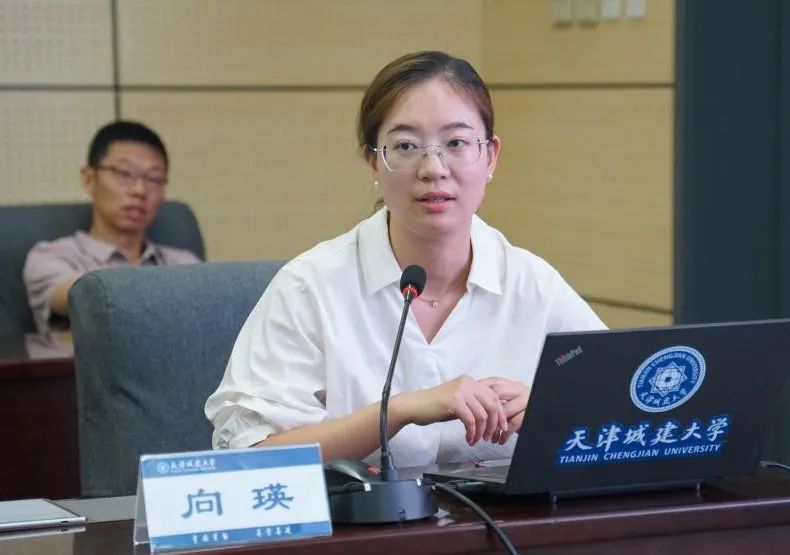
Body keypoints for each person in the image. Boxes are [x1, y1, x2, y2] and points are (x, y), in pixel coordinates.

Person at [205, 51, 606, 467]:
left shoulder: (532, 284)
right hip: (359, 513)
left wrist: (550, 413)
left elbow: (625, 412)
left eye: (456, 143)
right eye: (406, 146)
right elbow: (248, 457)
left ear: (490, 156)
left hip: (504, 512)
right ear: (372, 162)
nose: (433, 168)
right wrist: (397, 411)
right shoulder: (310, 286)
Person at [23, 121, 200, 333]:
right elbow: (88, 299)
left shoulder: (184, 262)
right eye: (124, 173)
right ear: (89, 179)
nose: (140, 190)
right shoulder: (52, 257)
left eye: (154, 178)